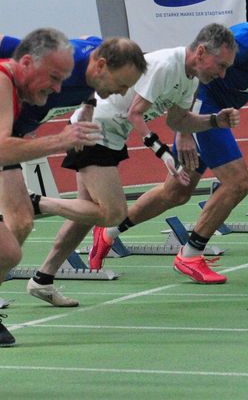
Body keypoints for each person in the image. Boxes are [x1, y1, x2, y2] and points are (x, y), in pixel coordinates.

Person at [88, 4, 248, 285]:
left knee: (176, 191)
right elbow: (198, 71)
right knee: (238, 182)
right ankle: (191, 254)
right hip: (203, 108)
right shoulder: (246, 40)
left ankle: (109, 231)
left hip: (215, 117)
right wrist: (185, 130)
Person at [28, 24, 240, 308]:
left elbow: (178, 121)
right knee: (113, 213)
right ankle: (36, 203)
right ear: (201, 52)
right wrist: (163, 153)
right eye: (221, 65)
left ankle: (42, 279)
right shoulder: (167, 65)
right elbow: (135, 113)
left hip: (112, 137)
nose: (222, 74)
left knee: (84, 213)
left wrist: (214, 120)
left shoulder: (190, 79)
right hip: (94, 132)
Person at [0, 34, 147, 306]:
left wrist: (89, 105)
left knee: (20, 225)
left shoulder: (96, 57)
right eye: (121, 84)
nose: (123, 92)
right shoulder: (60, 59)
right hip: (6, 140)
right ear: (101, 66)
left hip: (14, 139)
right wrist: (60, 140)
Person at [0, 28, 105, 347]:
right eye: (53, 78)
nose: (58, 89)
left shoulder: (85, 61)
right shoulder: (4, 77)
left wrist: (88, 104)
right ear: (26, 62)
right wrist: (60, 140)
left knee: (9, 248)